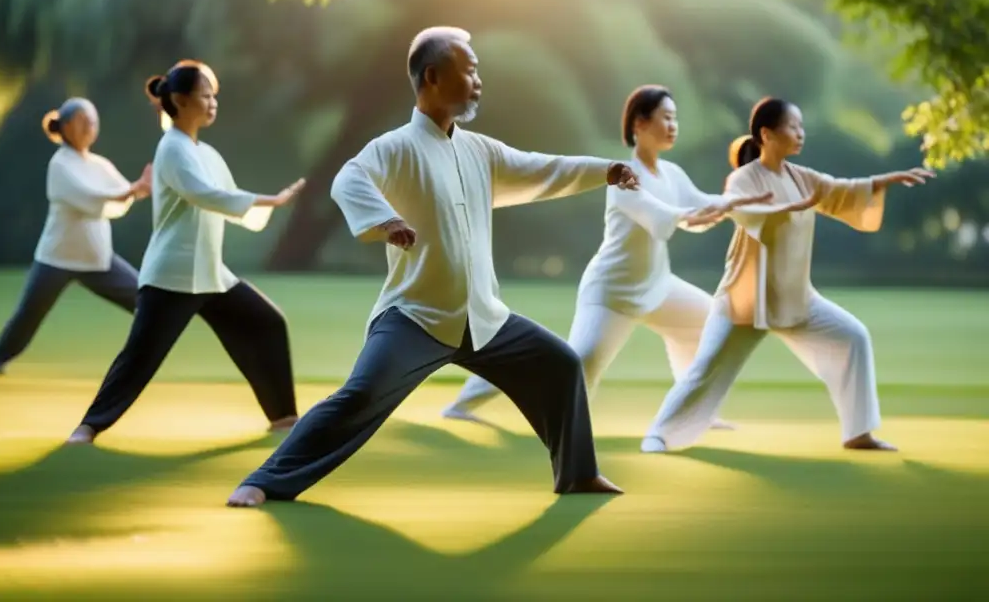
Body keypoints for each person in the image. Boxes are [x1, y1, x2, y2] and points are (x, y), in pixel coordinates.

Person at [227, 26, 640, 508]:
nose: (478, 79)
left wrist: (604, 170)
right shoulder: (395, 147)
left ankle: (577, 474)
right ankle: (265, 480)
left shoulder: (478, 149)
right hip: (416, 317)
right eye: (469, 70)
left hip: (485, 317)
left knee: (562, 366)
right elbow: (348, 179)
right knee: (359, 396)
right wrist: (385, 220)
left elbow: (539, 167)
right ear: (433, 77)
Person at [442, 86, 771, 431]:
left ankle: (692, 410)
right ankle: (466, 401)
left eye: (675, 119)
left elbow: (698, 207)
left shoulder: (672, 172)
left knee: (707, 321)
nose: (674, 125)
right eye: (667, 118)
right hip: (611, 292)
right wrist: (722, 207)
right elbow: (665, 216)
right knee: (578, 361)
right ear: (640, 124)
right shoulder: (621, 175)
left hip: (657, 285)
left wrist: (737, 201)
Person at [639, 96, 935, 454]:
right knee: (706, 368)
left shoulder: (799, 176)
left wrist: (884, 181)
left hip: (796, 298)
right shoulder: (743, 179)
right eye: (793, 127)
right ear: (767, 134)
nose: (800, 133)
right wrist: (788, 208)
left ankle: (859, 433)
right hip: (746, 299)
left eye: (801, 126)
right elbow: (745, 213)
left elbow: (838, 189)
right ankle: (659, 434)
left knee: (853, 336)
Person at [66, 61, 306, 444]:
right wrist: (270, 200)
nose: (212, 103)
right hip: (173, 275)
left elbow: (229, 199)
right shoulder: (172, 149)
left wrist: (265, 205)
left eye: (214, 96)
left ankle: (283, 417)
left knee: (267, 323)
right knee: (140, 357)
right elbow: (205, 195)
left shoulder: (206, 152)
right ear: (179, 100)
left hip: (211, 274)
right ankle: (88, 427)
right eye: (205, 95)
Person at [0, 98, 151, 383]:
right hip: (56, 259)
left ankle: (144, 362)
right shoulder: (60, 165)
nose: (89, 127)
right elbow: (90, 197)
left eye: (92, 122)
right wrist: (131, 190)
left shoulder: (99, 164)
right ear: (66, 127)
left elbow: (120, 196)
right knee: (28, 316)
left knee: (145, 301)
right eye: (82, 121)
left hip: (97, 259)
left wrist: (138, 190)